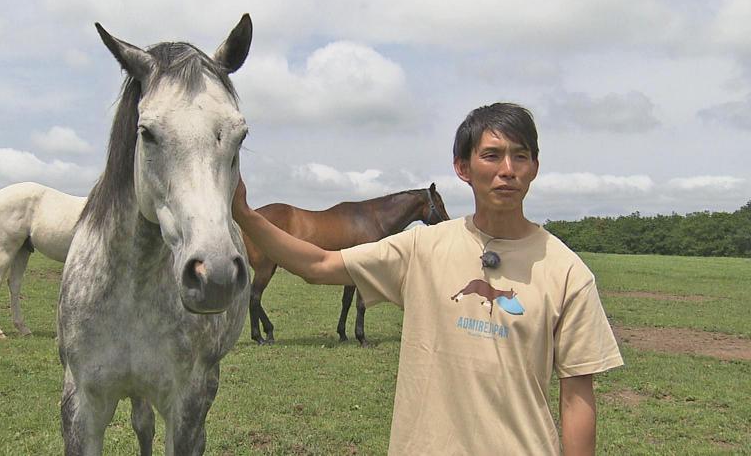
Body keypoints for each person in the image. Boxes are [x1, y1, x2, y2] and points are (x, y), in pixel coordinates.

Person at [232, 102, 623, 455]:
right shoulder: (420, 248)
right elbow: (319, 265)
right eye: (492, 155)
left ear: (534, 167)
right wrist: (247, 216)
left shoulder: (569, 273)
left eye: (520, 157)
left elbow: (576, 399)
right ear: (463, 168)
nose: (508, 170)